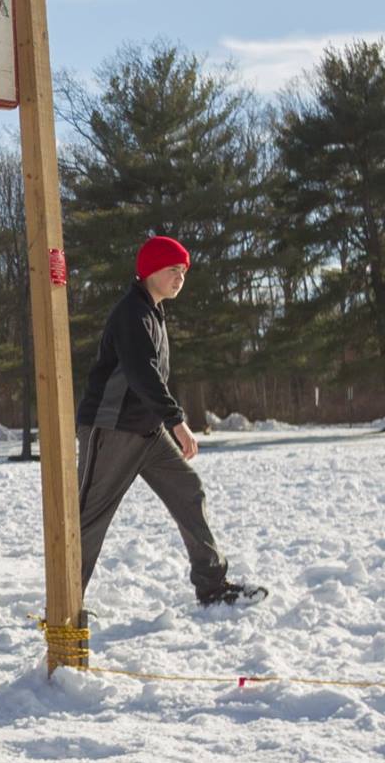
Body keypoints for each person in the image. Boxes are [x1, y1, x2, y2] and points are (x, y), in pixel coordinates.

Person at [75, 236, 262, 607]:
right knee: (90, 517)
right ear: (149, 271)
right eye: (172, 270)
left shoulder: (153, 312)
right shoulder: (132, 313)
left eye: (183, 271)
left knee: (188, 491)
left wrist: (166, 423)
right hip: (112, 429)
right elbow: (141, 374)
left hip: (146, 431)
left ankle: (212, 585)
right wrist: (177, 420)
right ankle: (64, 600)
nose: (180, 277)